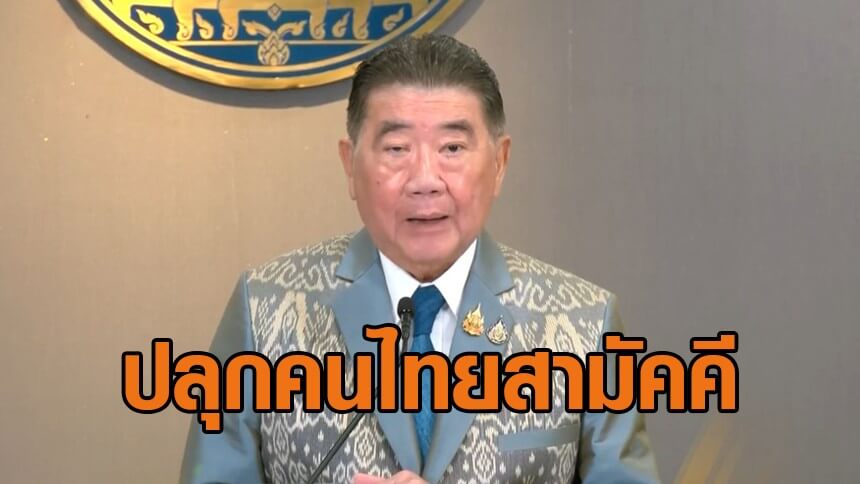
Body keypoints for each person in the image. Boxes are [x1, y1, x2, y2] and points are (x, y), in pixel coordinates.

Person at [180, 34, 661, 484]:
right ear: (350, 165)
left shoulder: (585, 327)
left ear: (499, 164)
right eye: (397, 148)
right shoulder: (265, 312)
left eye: (452, 148)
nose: (425, 180)